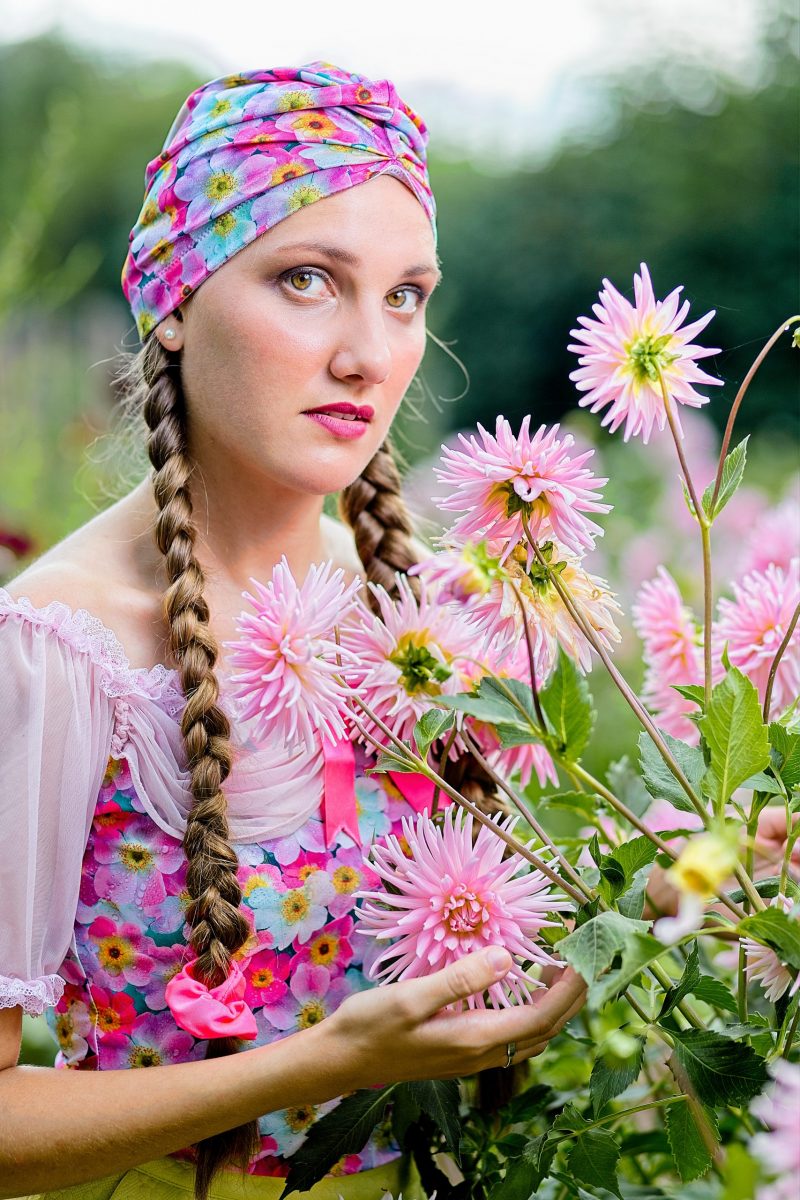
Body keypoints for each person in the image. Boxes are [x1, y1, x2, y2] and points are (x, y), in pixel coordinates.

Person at [0, 62, 587, 1200]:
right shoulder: (59, 654)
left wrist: (683, 897)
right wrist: (316, 1067)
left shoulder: (427, 613)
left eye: (405, 295)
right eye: (308, 280)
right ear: (173, 301)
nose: (368, 353)